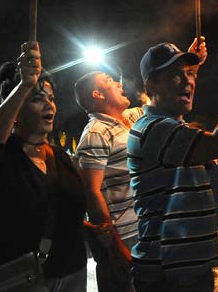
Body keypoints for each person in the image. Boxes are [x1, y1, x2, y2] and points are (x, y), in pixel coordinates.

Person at [127, 42, 218, 292]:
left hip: (186, 269)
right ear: (151, 85)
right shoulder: (153, 129)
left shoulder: (173, 127)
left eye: (190, 74)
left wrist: (189, 66)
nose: (188, 82)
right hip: (169, 274)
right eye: (175, 75)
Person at [0, 42, 87, 290]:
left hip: (73, 275)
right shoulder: (3, 156)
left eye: (52, 99)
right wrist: (24, 85)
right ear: (16, 109)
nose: (49, 105)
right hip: (20, 279)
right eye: (38, 99)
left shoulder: (61, 157)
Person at [74, 71, 141, 292]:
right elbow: (91, 192)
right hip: (124, 236)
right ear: (98, 94)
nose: (119, 84)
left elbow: (162, 101)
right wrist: (115, 247)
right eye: (109, 80)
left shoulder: (125, 122)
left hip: (141, 229)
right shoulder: (96, 132)